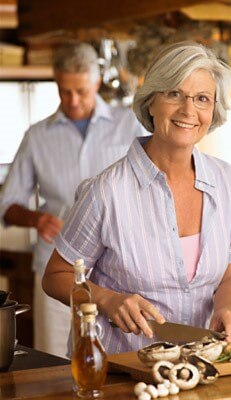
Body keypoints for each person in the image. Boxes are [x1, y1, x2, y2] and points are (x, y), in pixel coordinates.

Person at [42, 41, 231, 356]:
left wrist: (227, 309)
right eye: (174, 94)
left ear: (213, 110)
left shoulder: (225, 181)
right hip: (117, 373)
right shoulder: (106, 191)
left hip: (197, 369)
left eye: (202, 98)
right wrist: (106, 299)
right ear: (150, 102)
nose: (188, 110)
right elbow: (55, 276)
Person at [0, 42, 146, 357]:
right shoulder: (37, 136)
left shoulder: (130, 125)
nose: (73, 100)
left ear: (96, 83)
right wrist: (34, 219)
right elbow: (7, 204)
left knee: (117, 362)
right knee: (53, 365)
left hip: (118, 271)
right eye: (65, 91)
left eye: (81, 90)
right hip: (55, 271)